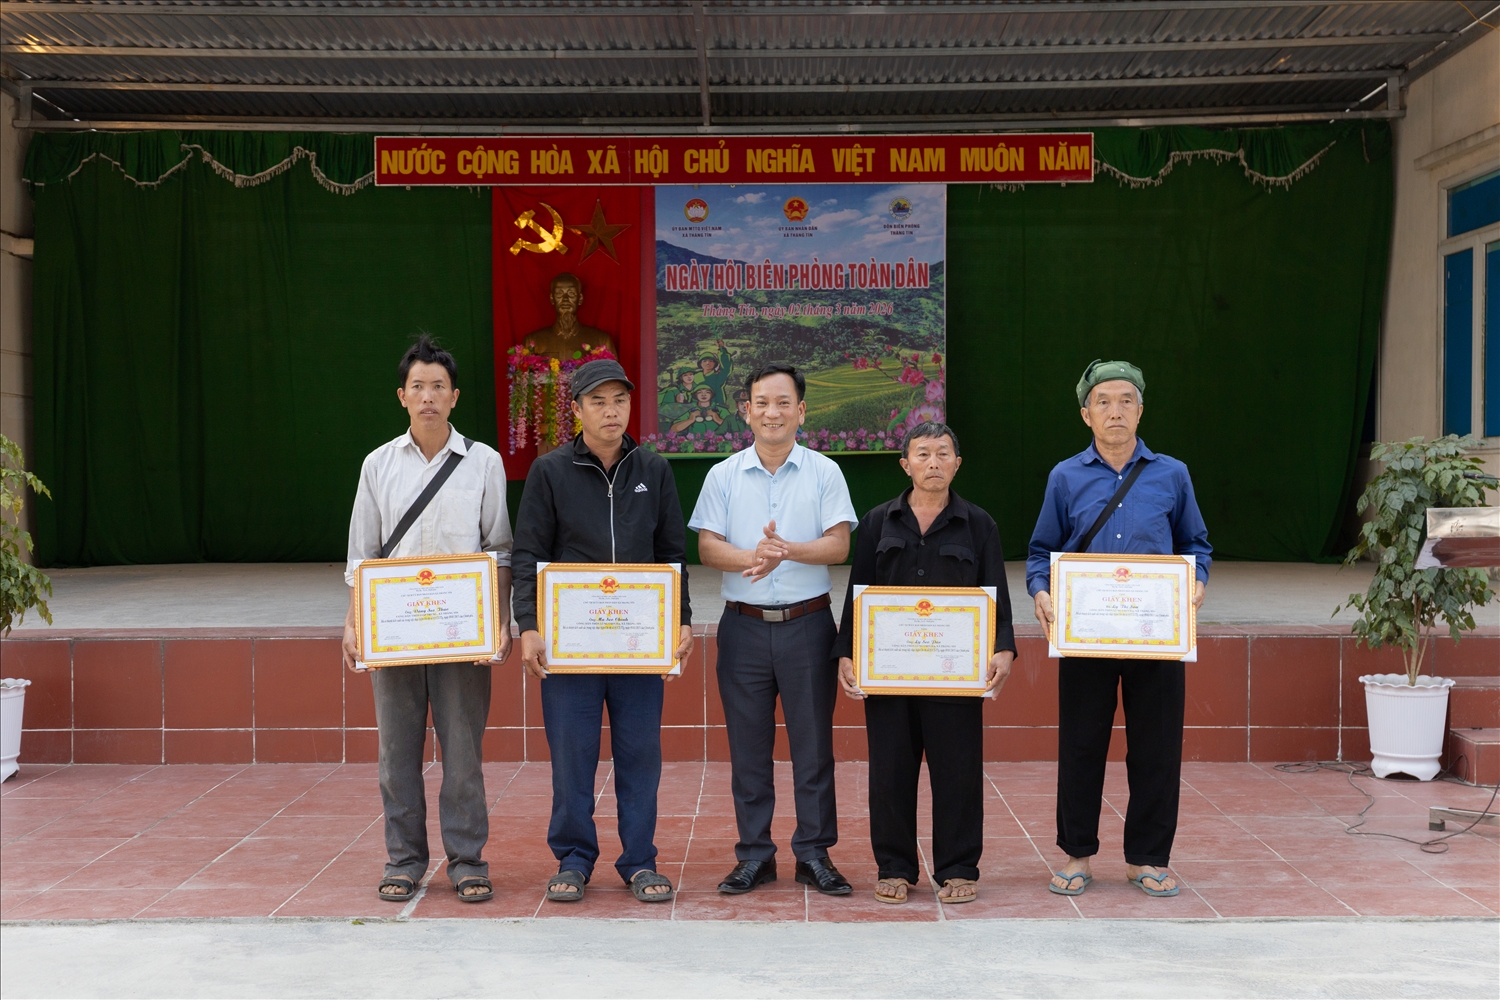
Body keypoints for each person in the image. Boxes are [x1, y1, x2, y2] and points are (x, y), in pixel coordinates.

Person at [512, 358, 695, 904]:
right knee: (573, 753)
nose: (611, 411)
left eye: (619, 400)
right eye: (598, 401)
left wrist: (681, 618)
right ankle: (573, 859)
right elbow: (528, 555)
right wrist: (529, 625)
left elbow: (672, 555)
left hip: (639, 643)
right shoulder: (549, 471)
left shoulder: (653, 469)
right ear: (576, 410)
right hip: (571, 646)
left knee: (640, 752)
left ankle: (640, 860)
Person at [1027, 359, 1211, 899]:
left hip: (1155, 634)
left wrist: (1196, 583)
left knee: (1156, 747)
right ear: (1086, 414)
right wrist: (1041, 591)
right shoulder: (1065, 476)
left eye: (1126, 400)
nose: (1115, 410)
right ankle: (1076, 853)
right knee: (1082, 745)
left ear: (1141, 410)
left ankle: (1148, 858)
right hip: (1086, 635)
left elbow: (1195, 545)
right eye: (1103, 401)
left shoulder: (1171, 473)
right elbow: (1042, 550)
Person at [341, 335, 513, 904]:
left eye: (438, 386)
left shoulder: (483, 462)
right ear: (401, 396)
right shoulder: (377, 464)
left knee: (463, 752)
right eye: (418, 387)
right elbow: (362, 556)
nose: (428, 397)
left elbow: (500, 549)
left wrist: (499, 622)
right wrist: (353, 622)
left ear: (455, 396)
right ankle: (405, 859)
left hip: (462, 633)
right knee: (397, 753)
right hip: (394, 631)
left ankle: (467, 861)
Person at [688, 363, 859, 896]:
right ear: (746, 410)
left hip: (808, 627)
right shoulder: (722, 475)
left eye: (784, 402)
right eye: (762, 402)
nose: (773, 412)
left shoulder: (825, 472)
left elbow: (839, 544)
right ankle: (755, 854)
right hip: (742, 629)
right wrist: (750, 557)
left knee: (813, 748)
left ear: (801, 411)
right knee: (748, 750)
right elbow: (707, 546)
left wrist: (788, 551)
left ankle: (813, 853)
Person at [835, 422, 1016, 904]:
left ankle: (959, 868)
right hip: (889, 673)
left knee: (957, 771)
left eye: (942, 454)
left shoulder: (979, 524)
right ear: (905, 464)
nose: (933, 463)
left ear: (958, 463)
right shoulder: (877, 521)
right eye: (922, 454)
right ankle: (894, 866)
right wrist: (848, 653)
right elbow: (859, 593)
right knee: (889, 771)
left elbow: (995, 591)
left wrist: (1004, 647)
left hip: (955, 674)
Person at [521, 272, 616, 361]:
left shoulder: (601, 340)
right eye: (559, 294)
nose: (565, 299)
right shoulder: (533, 341)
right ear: (552, 299)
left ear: (580, 299)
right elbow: (522, 377)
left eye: (571, 293)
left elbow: (613, 377)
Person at [692, 339, 734, 407]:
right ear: (700, 364)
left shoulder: (718, 375)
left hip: (717, 406)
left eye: (711, 361)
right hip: (697, 407)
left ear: (715, 363)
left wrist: (722, 349)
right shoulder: (695, 377)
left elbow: (726, 367)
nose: (708, 363)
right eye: (704, 361)